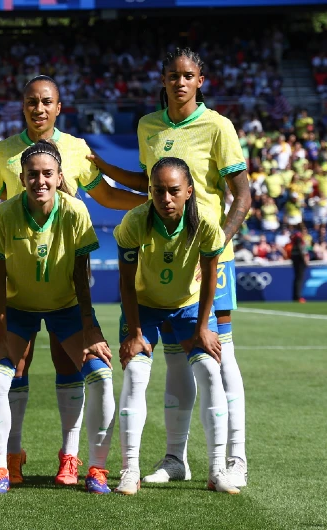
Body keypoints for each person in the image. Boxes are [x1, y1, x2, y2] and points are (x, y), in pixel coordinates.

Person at [0, 75, 145, 486]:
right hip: (18, 287)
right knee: (15, 369)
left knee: (71, 365)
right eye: (31, 101)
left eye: (47, 101)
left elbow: (110, 198)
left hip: (65, 286)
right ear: (22, 105)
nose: (38, 108)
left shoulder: (77, 150)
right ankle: (13, 454)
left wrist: (158, 205)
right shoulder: (4, 153)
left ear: (58, 107)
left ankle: (71, 456)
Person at [90, 48, 251, 488]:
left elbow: (243, 194)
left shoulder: (218, 126)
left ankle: (235, 459)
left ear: (201, 80)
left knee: (221, 357)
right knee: (179, 363)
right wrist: (102, 168)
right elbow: (149, 183)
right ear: (163, 80)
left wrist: (215, 249)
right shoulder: (148, 125)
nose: (180, 82)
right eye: (172, 75)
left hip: (209, 258)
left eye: (188, 75)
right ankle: (175, 458)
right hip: (164, 255)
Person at [0, 140, 115, 494]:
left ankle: (88, 465)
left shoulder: (74, 211)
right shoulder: (6, 212)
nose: (40, 181)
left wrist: (91, 328)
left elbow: (80, 275)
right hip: (17, 310)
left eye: (47, 174)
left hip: (66, 308)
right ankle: (4, 465)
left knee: (101, 375)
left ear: (59, 177)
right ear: (22, 178)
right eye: (32, 175)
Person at [113, 157, 239, 495]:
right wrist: (135, 332)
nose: (165, 199)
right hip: (143, 307)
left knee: (212, 373)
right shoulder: (134, 222)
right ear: (150, 192)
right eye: (157, 191)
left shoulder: (207, 224)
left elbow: (211, 278)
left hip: (188, 307)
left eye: (173, 191)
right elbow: (125, 284)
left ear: (188, 192)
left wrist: (202, 328)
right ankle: (130, 470)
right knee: (136, 375)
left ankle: (217, 470)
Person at [290, 227, 309, 302]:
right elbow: (301, 249)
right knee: (299, 279)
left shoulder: (296, 237)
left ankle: (296, 296)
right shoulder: (299, 238)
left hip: (295, 259)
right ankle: (298, 297)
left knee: (297, 278)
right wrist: (305, 259)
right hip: (299, 260)